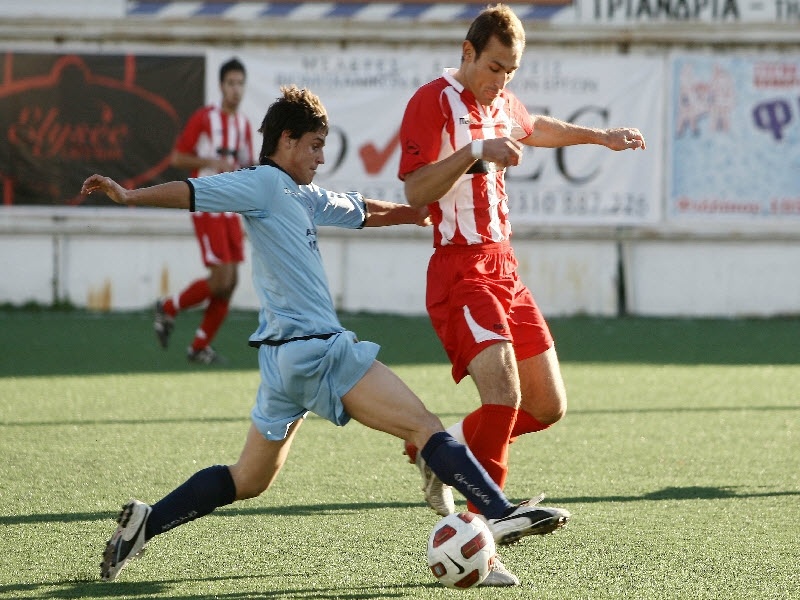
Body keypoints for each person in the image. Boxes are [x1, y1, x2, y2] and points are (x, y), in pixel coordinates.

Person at [81, 85, 570, 588]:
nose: (320, 157)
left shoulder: (301, 195)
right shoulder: (263, 183)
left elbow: (360, 209)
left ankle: (146, 524)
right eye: (315, 145)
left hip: (281, 366)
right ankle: (499, 510)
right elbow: (193, 191)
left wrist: (412, 213)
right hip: (317, 350)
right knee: (424, 427)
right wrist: (130, 195)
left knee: (248, 479)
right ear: (287, 141)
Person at [398, 4, 646, 520]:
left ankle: (438, 449)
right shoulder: (432, 100)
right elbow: (416, 188)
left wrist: (601, 137)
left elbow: (533, 125)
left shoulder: (501, 99)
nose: (501, 81)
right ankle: (485, 515)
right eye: (494, 68)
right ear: (468, 52)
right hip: (461, 269)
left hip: (505, 268)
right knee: (504, 392)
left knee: (547, 405)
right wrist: (472, 152)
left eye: (511, 71)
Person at [156, 57, 255, 365]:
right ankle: (169, 306)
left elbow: (247, 168)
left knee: (231, 282)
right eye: (231, 83)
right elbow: (178, 157)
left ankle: (199, 347)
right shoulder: (204, 118)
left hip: (231, 210)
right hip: (207, 204)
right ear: (221, 85)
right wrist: (212, 163)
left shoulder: (244, 125)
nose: (235, 90)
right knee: (220, 278)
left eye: (240, 84)